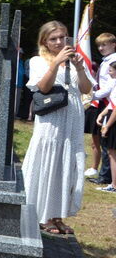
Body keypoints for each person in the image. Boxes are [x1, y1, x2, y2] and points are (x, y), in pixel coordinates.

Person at [22, 21, 92, 236]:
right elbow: (43, 87)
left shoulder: (73, 60)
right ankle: (42, 216)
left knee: (67, 164)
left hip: (73, 118)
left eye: (62, 37)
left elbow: (86, 89)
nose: (59, 42)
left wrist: (80, 67)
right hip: (52, 120)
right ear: (45, 41)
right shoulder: (38, 60)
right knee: (49, 163)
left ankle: (57, 215)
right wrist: (55, 63)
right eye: (53, 39)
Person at [87, 33, 116, 184]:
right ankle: (105, 174)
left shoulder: (114, 61)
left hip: (109, 102)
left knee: (106, 141)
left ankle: (106, 176)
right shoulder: (106, 61)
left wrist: (92, 95)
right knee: (103, 140)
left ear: (113, 45)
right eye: (99, 45)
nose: (100, 48)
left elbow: (111, 85)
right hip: (104, 102)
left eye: (104, 45)